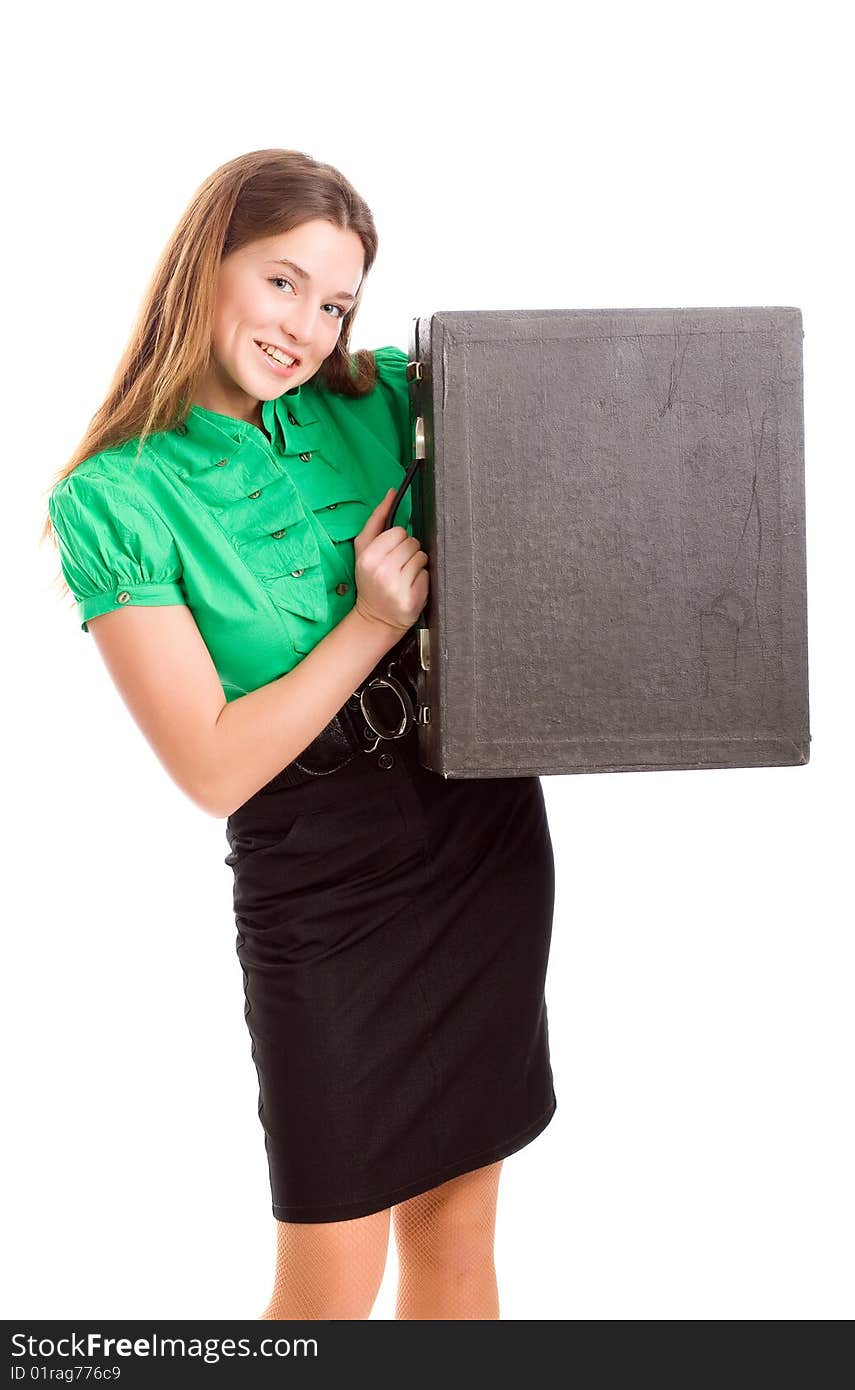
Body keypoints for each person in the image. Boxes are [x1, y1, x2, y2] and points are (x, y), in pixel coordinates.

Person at [43, 148, 557, 1320]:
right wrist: (373, 623)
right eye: (283, 283)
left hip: (476, 827)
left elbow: (568, 435)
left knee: (460, 1240)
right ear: (205, 267)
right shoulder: (114, 497)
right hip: (318, 869)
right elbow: (212, 764)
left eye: (334, 302)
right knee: (324, 1284)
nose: (308, 328)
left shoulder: (381, 400)